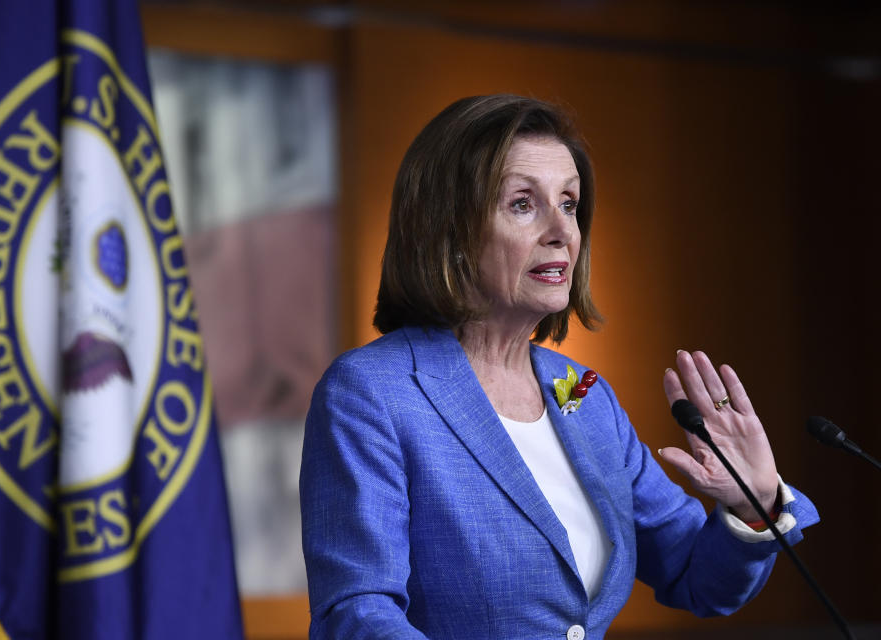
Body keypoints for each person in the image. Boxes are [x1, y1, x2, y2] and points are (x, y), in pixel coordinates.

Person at [299, 94, 818, 639]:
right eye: (523, 203)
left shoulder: (582, 394)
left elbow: (696, 574)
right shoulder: (372, 393)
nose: (562, 231)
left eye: (569, 203)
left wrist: (751, 502)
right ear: (446, 229)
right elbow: (357, 614)